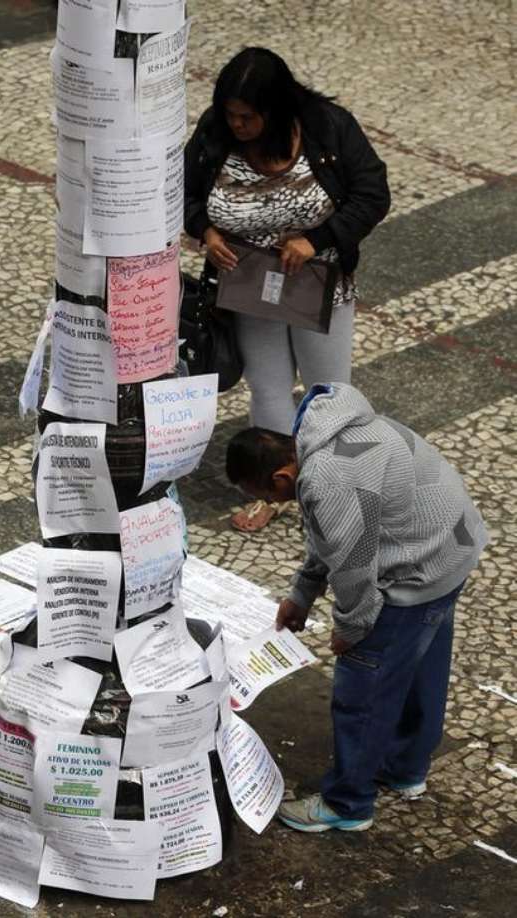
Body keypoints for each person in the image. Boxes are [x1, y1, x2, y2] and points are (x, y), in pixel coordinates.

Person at [225, 383, 488, 832]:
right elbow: (336, 535)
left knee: (363, 690)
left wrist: (351, 630)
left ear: (281, 479)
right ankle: (406, 770)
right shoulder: (328, 431)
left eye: (268, 497)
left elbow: (352, 569)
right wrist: (302, 595)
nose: (271, 505)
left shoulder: (325, 481)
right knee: (421, 667)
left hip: (415, 571)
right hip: (452, 551)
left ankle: (348, 804)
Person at [185, 48, 390, 532]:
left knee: (329, 393)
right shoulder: (214, 134)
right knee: (269, 386)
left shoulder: (326, 127)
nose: (237, 125)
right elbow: (185, 192)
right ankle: (273, 487)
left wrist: (316, 240)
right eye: (231, 115)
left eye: (247, 117)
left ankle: (335, 487)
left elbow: (371, 193)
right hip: (250, 284)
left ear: (275, 110)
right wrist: (206, 232)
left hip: (318, 283)